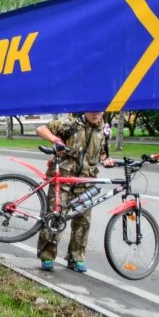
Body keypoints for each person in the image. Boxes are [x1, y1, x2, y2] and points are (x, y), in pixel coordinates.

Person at [35, 111, 116, 273]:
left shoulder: (105, 130)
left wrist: (105, 160)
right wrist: (55, 139)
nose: (95, 114)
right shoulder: (70, 124)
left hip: (86, 182)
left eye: (99, 111)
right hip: (64, 179)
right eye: (92, 111)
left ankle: (76, 258)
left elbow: (102, 153)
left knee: (83, 222)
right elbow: (41, 129)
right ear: (86, 110)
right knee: (55, 218)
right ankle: (47, 256)